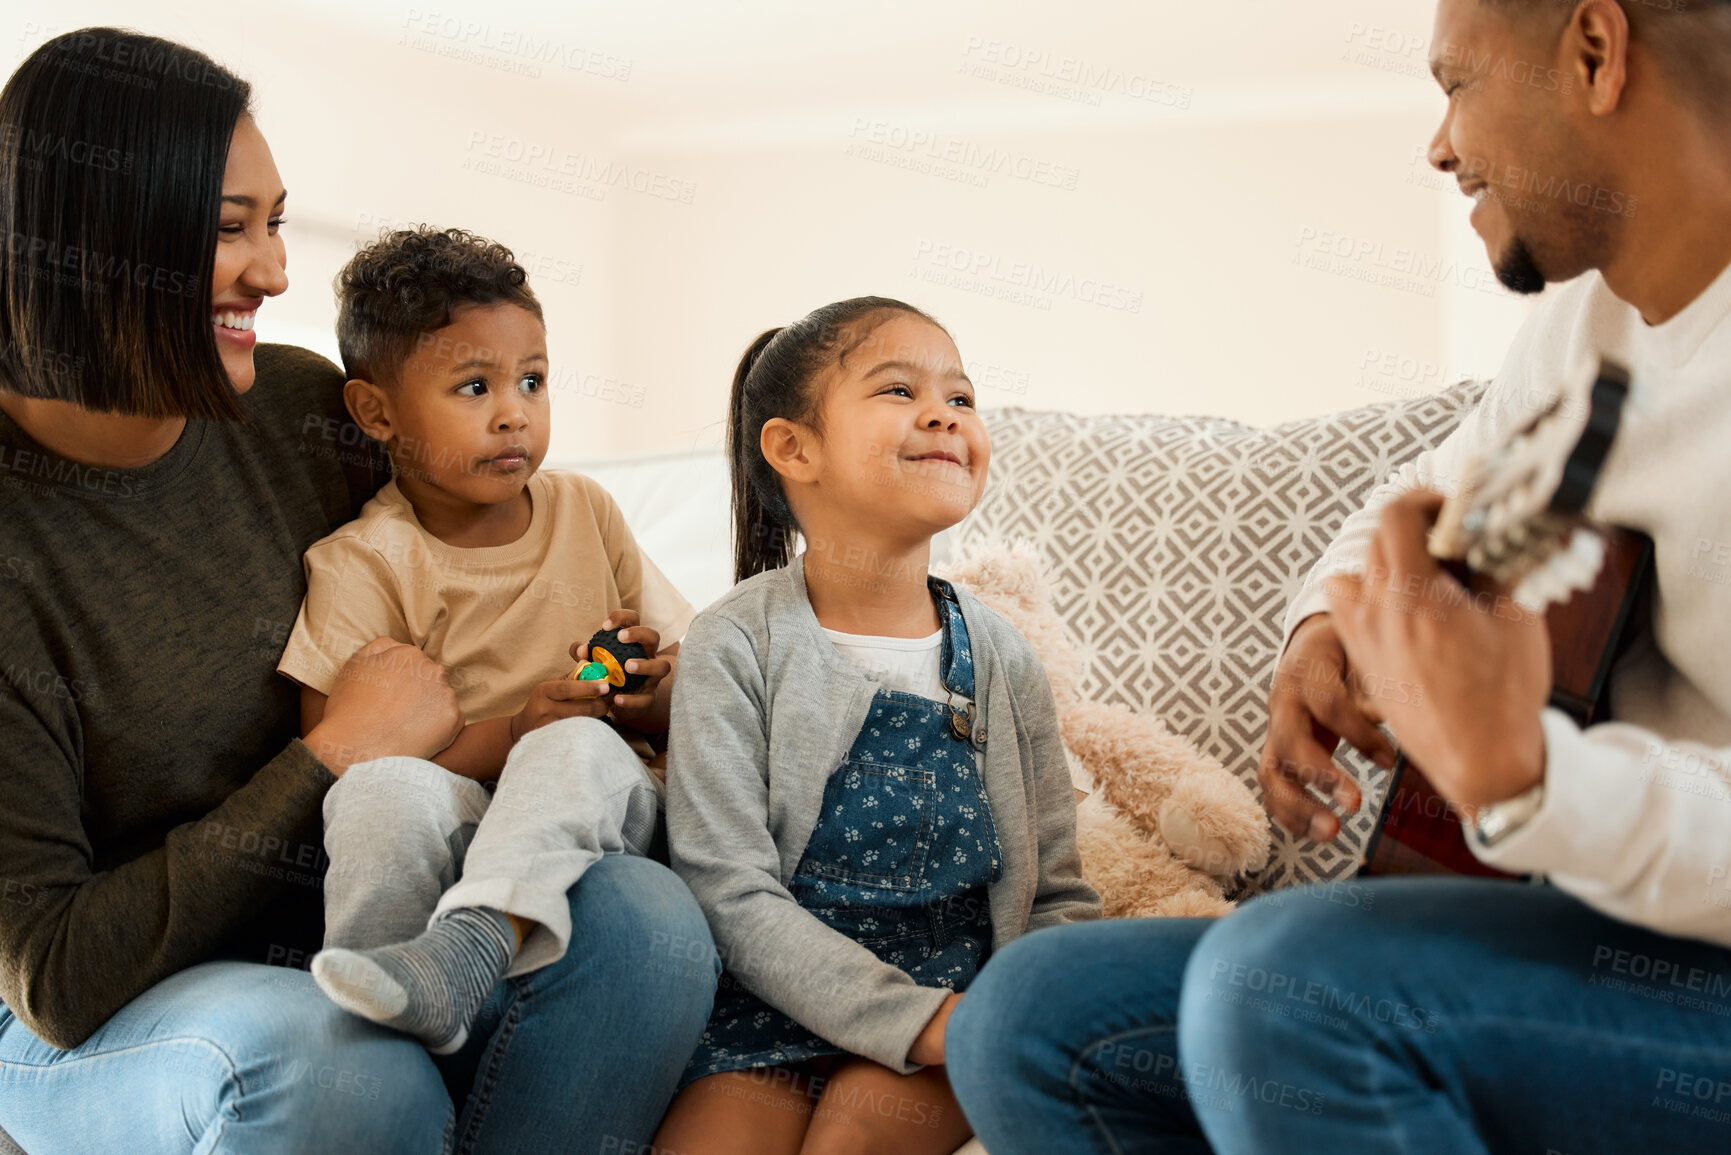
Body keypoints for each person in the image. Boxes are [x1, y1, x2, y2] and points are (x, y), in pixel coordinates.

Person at [944, 1, 1731, 1152]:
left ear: (1597, 55)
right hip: (1597, 928)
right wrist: (1326, 627)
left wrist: (1528, 777)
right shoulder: (1590, 328)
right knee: (1028, 1014)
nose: (1440, 144)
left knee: (1284, 984)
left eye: (1457, 84)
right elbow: (1422, 493)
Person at [0, 29, 716, 1155]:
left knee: (646, 922)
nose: (275, 273)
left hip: (369, 923)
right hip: (109, 1011)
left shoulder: (295, 409)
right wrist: (332, 755)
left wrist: (621, 682)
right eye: (230, 228)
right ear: (102, 236)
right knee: (332, 1062)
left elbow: (474, 549)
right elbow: (53, 972)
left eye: (274, 222)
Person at [651, 298, 1100, 1155]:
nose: (943, 414)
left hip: (957, 1002)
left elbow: (1055, 892)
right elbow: (727, 890)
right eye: (899, 390)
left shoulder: (1002, 655)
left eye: (960, 398)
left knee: (854, 1141)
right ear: (793, 449)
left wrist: (1004, 1021)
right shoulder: (735, 640)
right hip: (772, 1002)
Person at [274, 225, 695, 1056]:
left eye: (533, 380)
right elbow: (337, 754)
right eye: (474, 387)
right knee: (377, 796)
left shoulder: (587, 510)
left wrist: (652, 687)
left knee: (574, 743)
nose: (514, 413)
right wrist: (509, 733)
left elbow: (696, 681)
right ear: (376, 412)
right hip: (466, 809)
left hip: (597, 808)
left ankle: (465, 952)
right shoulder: (364, 559)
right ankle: (381, 1015)